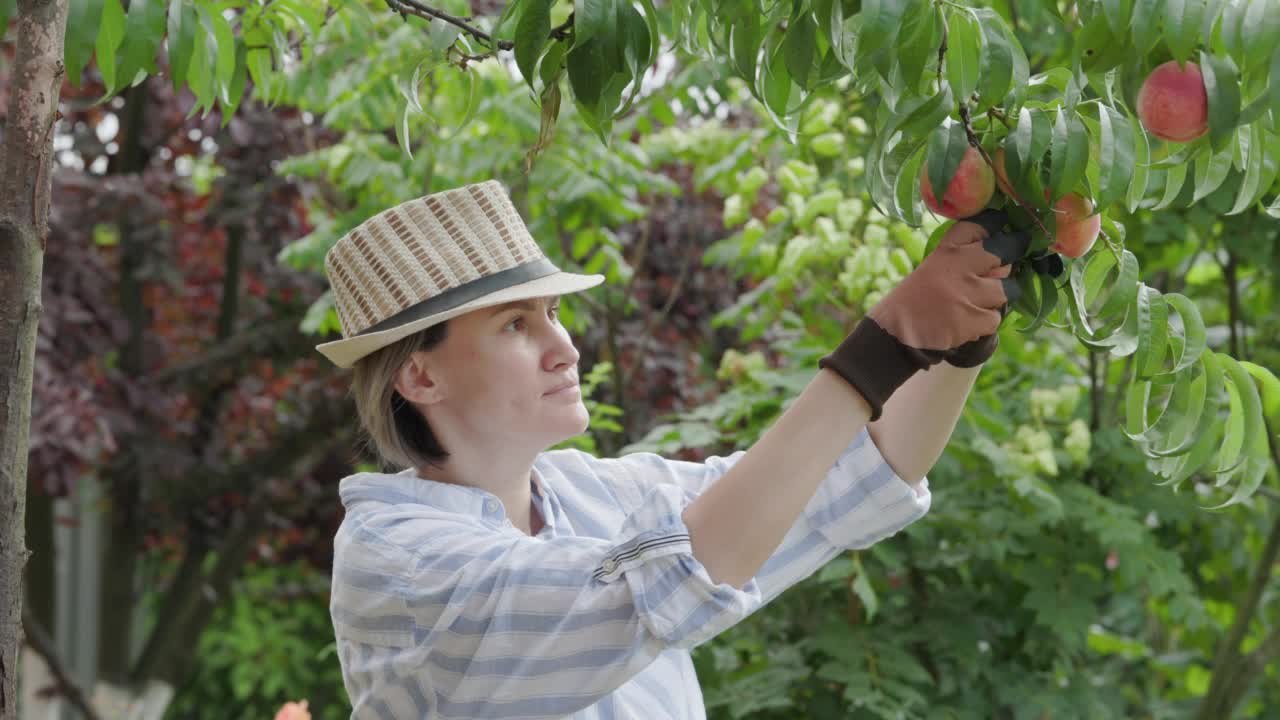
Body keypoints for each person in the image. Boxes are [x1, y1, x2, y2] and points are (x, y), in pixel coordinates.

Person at [316, 179, 1027, 718]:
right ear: (421, 375)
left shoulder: (588, 493)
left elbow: (848, 480)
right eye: (513, 325)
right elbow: (657, 585)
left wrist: (959, 341)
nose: (564, 347)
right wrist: (888, 339)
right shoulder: (396, 562)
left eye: (554, 315)